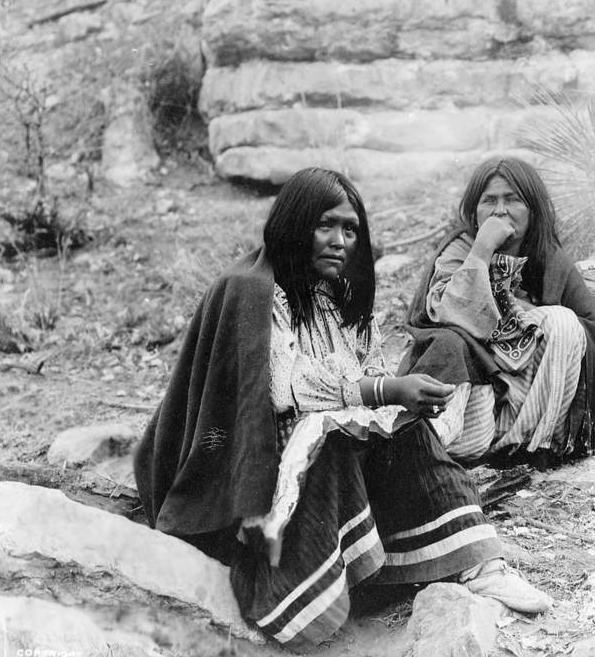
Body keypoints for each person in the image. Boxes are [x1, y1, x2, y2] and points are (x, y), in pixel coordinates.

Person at [133, 167, 551, 651]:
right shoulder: (250, 289)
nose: (339, 241)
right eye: (325, 225)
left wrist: (396, 402)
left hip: (313, 438)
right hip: (239, 472)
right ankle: (316, 581)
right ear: (294, 225)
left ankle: (478, 562)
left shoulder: (335, 295)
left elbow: (363, 371)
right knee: (328, 439)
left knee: (407, 431)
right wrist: (385, 390)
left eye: (350, 229)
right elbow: (285, 390)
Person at [399, 156, 595, 467]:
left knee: (564, 322)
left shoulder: (548, 258)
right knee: (466, 432)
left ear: (533, 211)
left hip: (525, 401)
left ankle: (531, 445)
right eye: (489, 201)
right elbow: (448, 317)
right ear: (474, 212)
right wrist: (482, 250)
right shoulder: (458, 251)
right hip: (473, 388)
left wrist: (529, 316)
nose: (500, 210)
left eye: (512, 199)